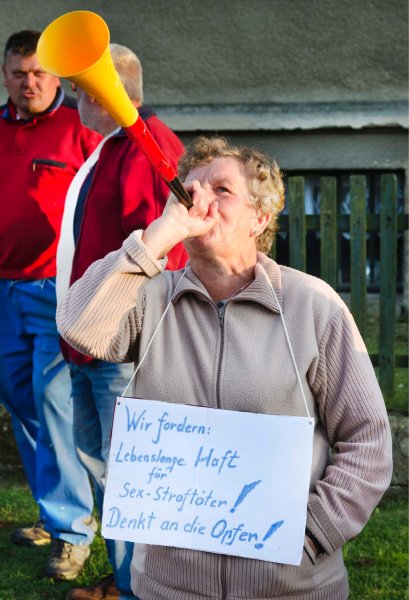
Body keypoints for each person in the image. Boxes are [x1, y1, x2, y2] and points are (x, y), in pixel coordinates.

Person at [57, 136, 393, 600]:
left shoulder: (313, 306)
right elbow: (78, 325)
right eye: (189, 189)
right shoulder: (153, 297)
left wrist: (312, 531)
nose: (198, 199)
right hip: (168, 587)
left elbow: (368, 442)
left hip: (289, 588)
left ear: (260, 218)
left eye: (221, 189)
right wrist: (155, 238)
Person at [56, 44, 188, 600]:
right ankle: (128, 578)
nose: (72, 104)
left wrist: (129, 339)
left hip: (120, 350)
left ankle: (139, 586)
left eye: (76, 93)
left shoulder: (145, 146)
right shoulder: (120, 145)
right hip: (94, 344)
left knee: (131, 477)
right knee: (107, 468)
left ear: (98, 95)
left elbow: (159, 252)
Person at [0, 30, 102, 581]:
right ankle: (53, 508)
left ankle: (71, 533)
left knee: (52, 397)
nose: (29, 82)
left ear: (56, 76)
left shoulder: (79, 128)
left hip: (52, 289)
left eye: (39, 72)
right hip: (1, 289)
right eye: (19, 73)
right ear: (5, 75)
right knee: (23, 402)